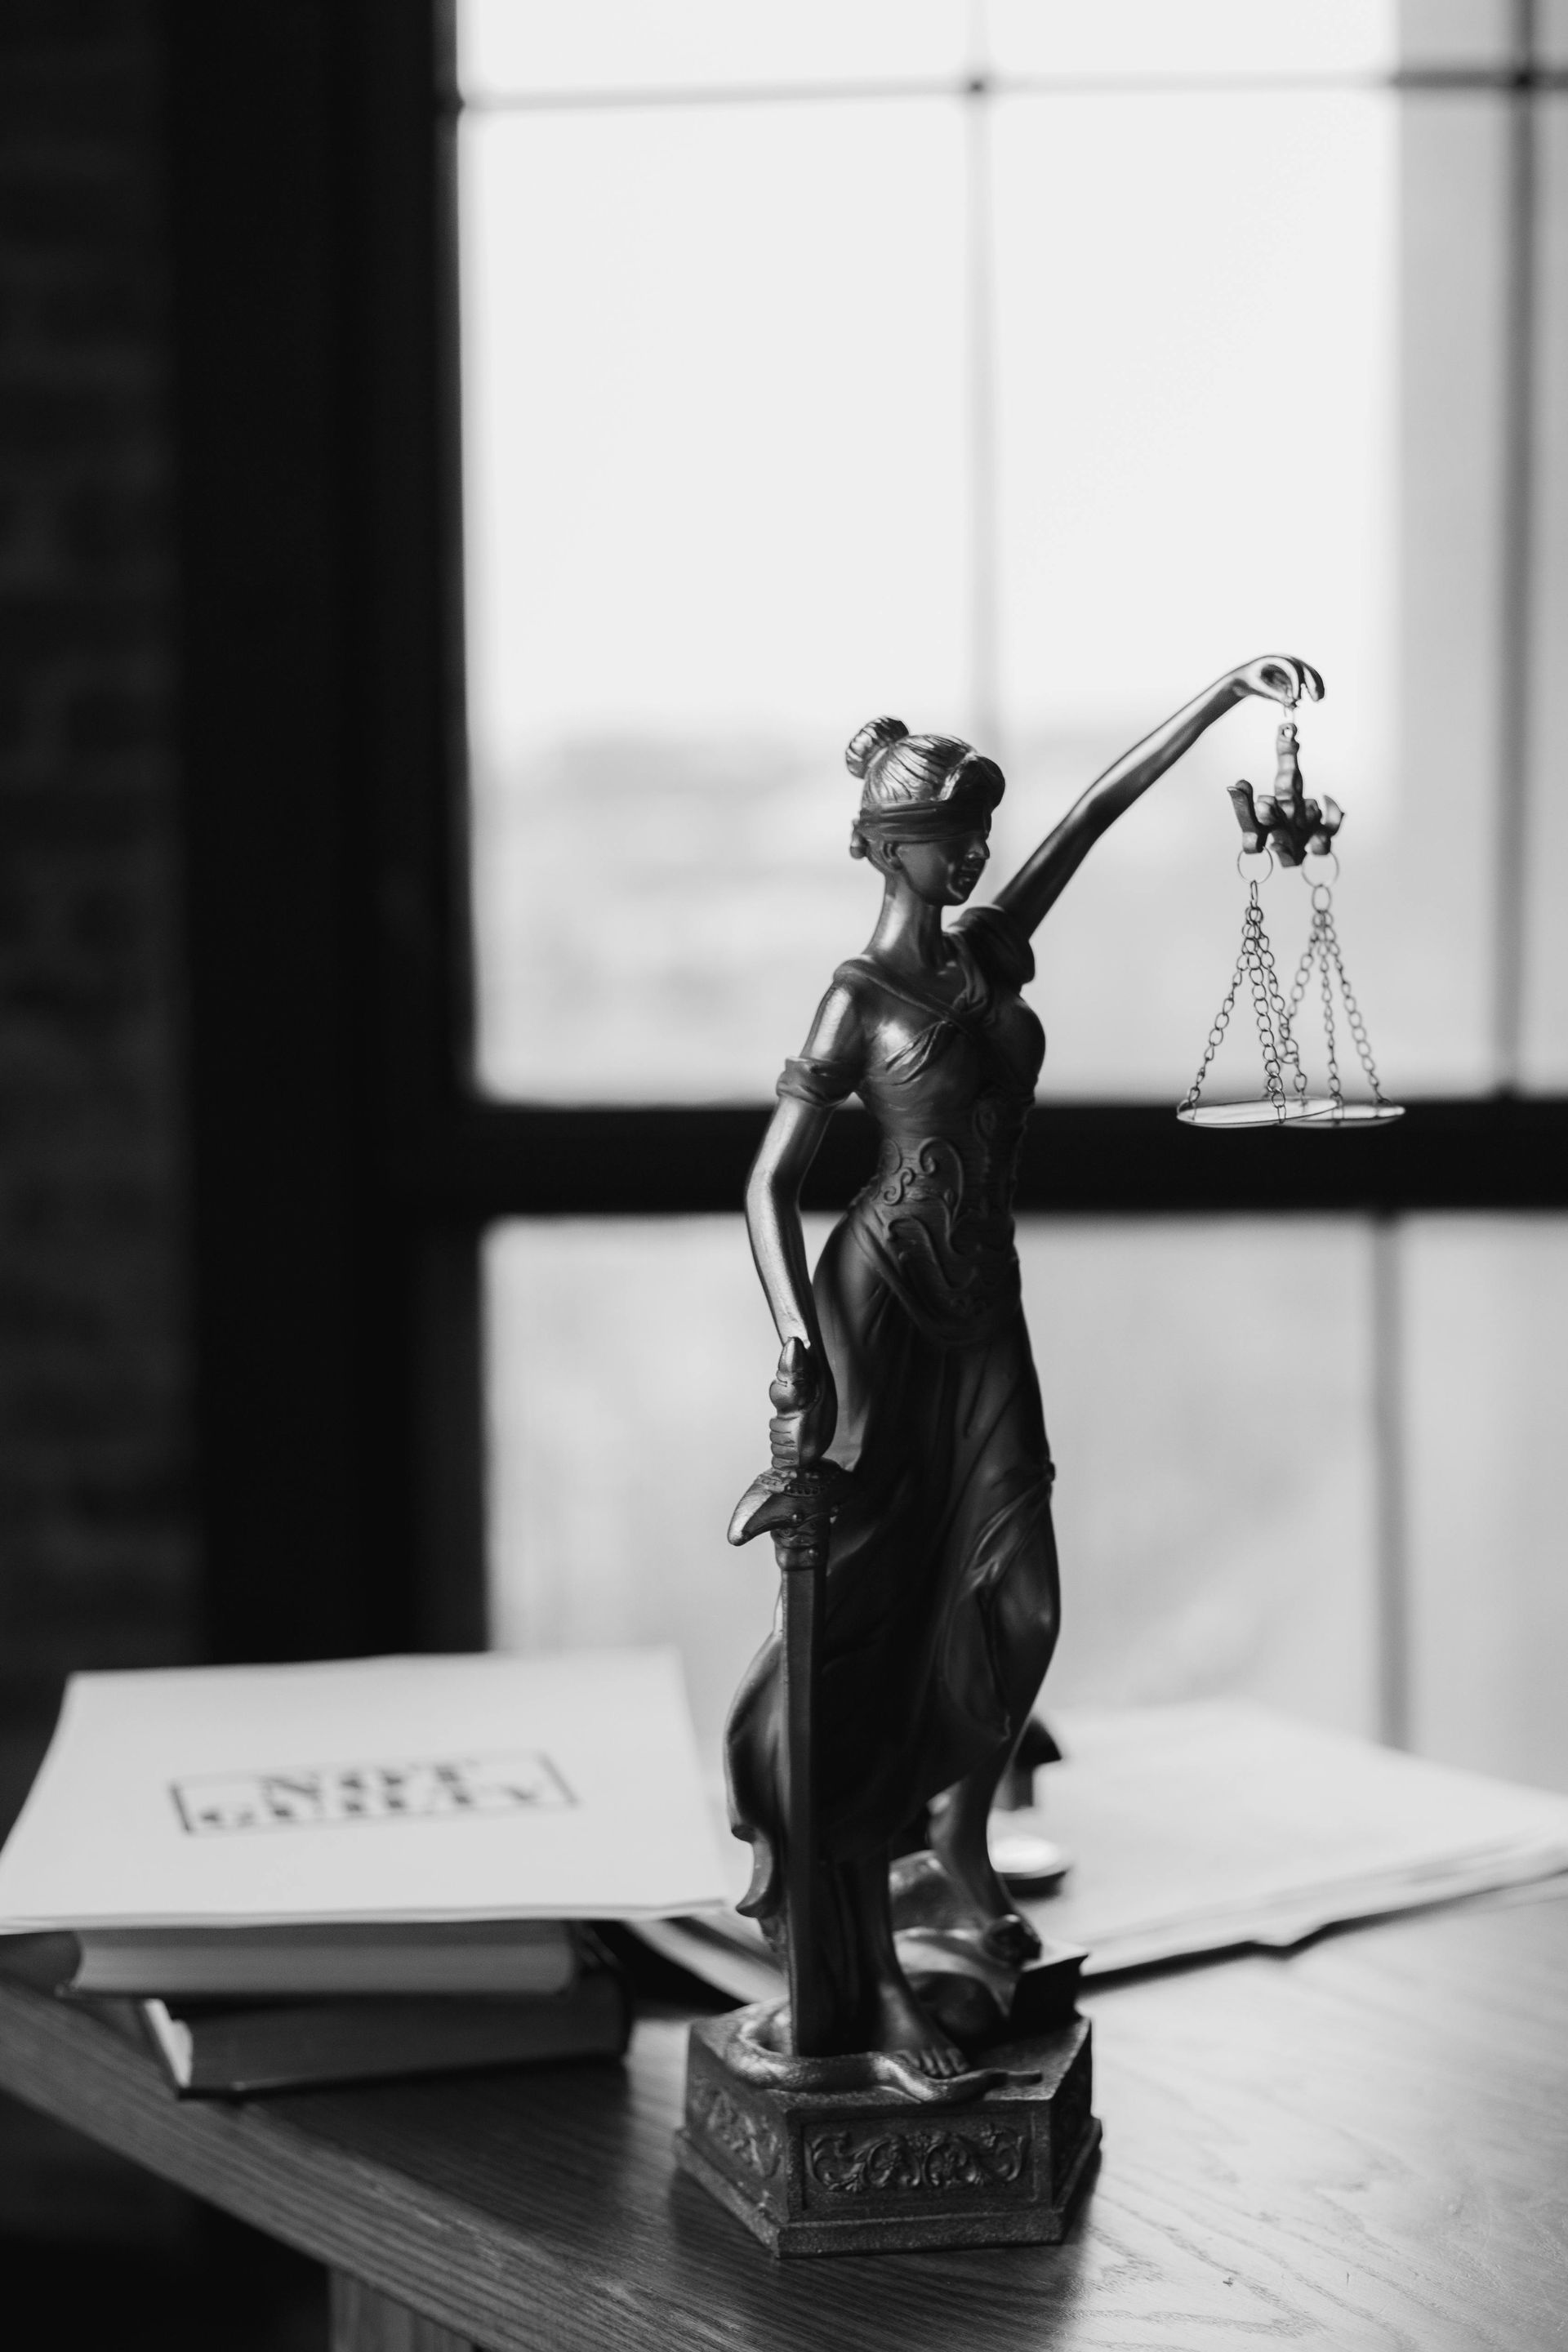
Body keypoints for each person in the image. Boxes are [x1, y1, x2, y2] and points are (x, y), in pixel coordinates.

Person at [724, 654, 1324, 2076]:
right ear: (887, 847)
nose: (979, 853)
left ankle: (956, 1833)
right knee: (867, 1607)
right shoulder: (858, 995)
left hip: (984, 1300)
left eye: (983, 832)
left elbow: (1099, 812)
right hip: (878, 1309)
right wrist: (801, 1343)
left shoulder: (991, 950)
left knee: (1021, 1591)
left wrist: (1225, 700)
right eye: (951, 836)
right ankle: (860, 1948)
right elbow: (768, 1188)